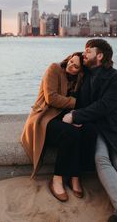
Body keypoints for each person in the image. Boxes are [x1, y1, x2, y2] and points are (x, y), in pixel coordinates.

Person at [63, 39, 117, 222]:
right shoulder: (85, 78)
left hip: (116, 128)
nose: (84, 54)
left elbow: (104, 106)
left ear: (100, 56)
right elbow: (79, 99)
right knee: (101, 158)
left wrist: (76, 116)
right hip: (96, 128)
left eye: (88, 51)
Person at [21, 52, 97, 202]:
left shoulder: (80, 80)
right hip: (44, 118)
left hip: (65, 117)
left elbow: (85, 100)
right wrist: (76, 104)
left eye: (76, 66)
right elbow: (52, 98)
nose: (71, 66)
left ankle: (75, 176)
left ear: (81, 71)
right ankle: (57, 179)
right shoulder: (54, 68)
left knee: (88, 130)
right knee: (70, 134)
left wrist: (76, 115)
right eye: (71, 61)